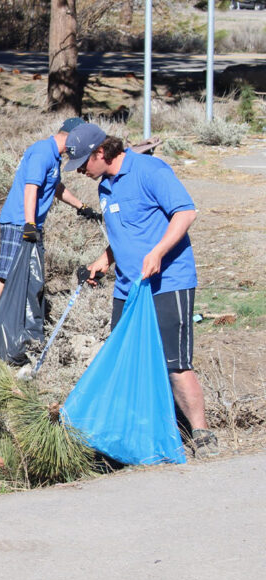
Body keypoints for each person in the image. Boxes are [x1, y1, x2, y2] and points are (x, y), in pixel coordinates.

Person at [66, 122, 218, 459]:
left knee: (175, 362)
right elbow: (124, 234)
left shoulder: (149, 170)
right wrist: (102, 261)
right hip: (128, 288)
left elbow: (186, 212)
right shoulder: (105, 186)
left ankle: (201, 433)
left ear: (101, 152)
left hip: (169, 281)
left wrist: (159, 252)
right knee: (129, 359)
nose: (79, 172)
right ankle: (137, 436)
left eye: (83, 164)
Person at [0, 117, 100, 347]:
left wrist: (82, 207)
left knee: (29, 279)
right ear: (69, 136)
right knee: (5, 274)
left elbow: (55, 187)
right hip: (19, 223)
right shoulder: (42, 152)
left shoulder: (54, 157)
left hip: (30, 225)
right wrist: (29, 223)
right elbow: (31, 187)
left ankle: (17, 330)